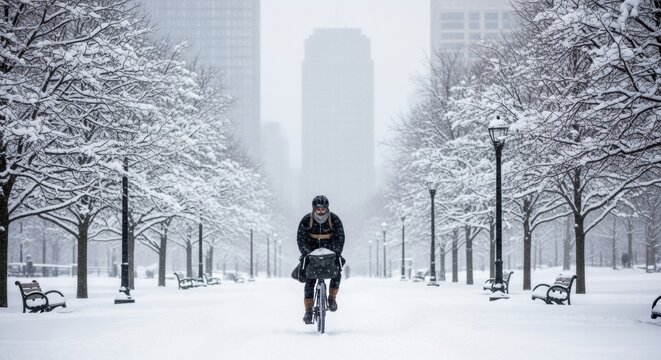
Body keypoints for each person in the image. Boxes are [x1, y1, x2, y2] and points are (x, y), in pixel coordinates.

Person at [297, 195, 345, 324]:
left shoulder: (334, 219)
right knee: (309, 279)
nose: (320, 211)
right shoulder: (306, 220)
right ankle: (308, 309)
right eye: (318, 209)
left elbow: (340, 236)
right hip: (311, 252)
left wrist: (336, 252)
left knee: (337, 270)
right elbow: (301, 238)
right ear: (314, 209)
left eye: (323, 209)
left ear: (327, 208)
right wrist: (306, 252)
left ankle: (332, 298)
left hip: (330, 251)